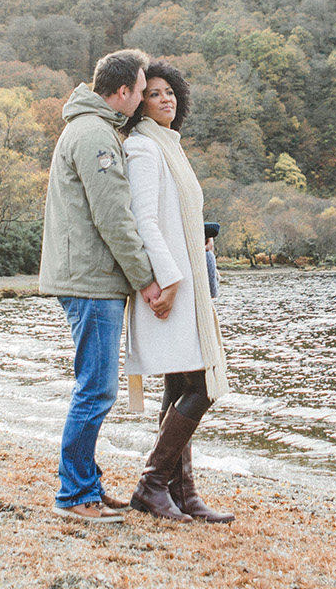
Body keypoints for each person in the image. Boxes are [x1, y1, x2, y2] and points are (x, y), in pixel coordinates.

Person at [38, 49, 171, 524]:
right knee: (95, 390)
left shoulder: (88, 127)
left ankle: (84, 485)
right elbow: (114, 217)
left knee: (93, 387)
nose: (142, 99)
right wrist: (147, 280)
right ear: (121, 93)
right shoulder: (95, 133)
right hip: (90, 280)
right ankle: (74, 495)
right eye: (140, 90)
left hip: (87, 277)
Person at [121, 59, 234, 523]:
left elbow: (172, 216)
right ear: (139, 103)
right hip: (170, 286)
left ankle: (182, 493)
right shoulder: (145, 148)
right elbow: (144, 221)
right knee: (201, 384)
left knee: (180, 382)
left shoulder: (170, 146)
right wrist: (167, 282)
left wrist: (199, 239)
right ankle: (152, 484)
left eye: (170, 92)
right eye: (154, 93)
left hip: (183, 278)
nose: (165, 98)